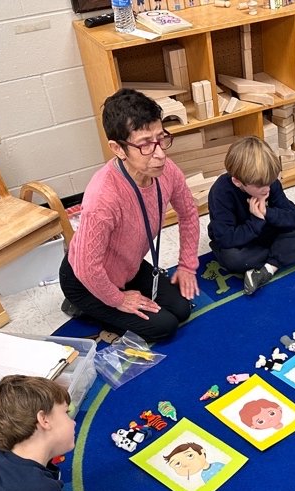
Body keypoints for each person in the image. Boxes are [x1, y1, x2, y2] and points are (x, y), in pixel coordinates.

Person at [60, 88, 199, 342]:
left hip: (128, 266)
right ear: (118, 148)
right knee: (164, 327)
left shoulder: (166, 170)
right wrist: (118, 299)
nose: (160, 153)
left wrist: (187, 264)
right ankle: (79, 304)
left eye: (161, 138)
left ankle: (114, 297)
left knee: (181, 309)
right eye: (145, 144)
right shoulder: (103, 197)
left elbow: (188, 213)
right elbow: (86, 267)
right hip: (84, 279)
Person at [207, 136, 295, 295]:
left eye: (270, 182)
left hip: (267, 233)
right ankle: (289, 252)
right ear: (238, 182)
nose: (267, 189)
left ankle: (268, 268)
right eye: (260, 185)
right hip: (242, 241)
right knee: (233, 259)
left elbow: (293, 215)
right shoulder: (221, 192)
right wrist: (256, 221)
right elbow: (225, 238)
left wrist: (267, 213)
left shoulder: (268, 182)